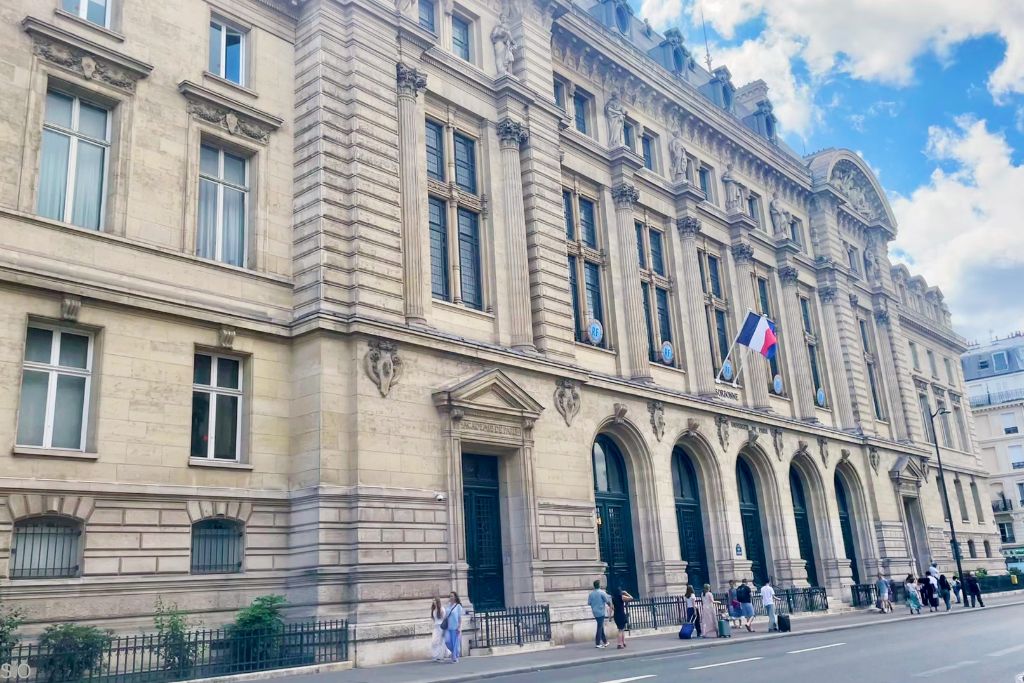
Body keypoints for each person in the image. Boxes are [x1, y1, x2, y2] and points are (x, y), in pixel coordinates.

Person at [588, 579, 612, 648]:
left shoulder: (591, 594)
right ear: (599, 585)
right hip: (601, 611)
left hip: (594, 612)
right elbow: (607, 601)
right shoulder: (602, 592)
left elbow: (589, 603)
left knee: (600, 626)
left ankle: (605, 641)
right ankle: (597, 643)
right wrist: (611, 607)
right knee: (600, 627)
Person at [442, 592, 464, 663]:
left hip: (455, 627)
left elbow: (459, 618)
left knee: (455, 643)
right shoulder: (448, 606)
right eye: (450, 596)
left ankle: (455, 656)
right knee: (447, 641)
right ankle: (454, 653)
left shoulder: (458, 606)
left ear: (455, 597)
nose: (450, 597)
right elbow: (445, 615)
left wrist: (459, 627)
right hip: (448, 627)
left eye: (452, 596)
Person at [611, 585, 633, 649]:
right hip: (621, 614)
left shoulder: (613, 598)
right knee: (621, 630)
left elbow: (612, 607)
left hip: (616, 614)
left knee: (621, 629)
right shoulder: (622, 597)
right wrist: (626, 593)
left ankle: (623, 642)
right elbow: (631, 598)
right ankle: (619, 644)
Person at [430, 597, 446, 662]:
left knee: (440, 641)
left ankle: (440, 656)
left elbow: (444, 618)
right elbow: (434, 619)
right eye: (433, 600)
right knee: (434, 641)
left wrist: (444, 629)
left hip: (441, 626)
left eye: (434, 600)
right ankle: (435, 655)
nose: (433, 602)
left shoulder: (442, 609)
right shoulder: (434, 609)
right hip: (436, 627)